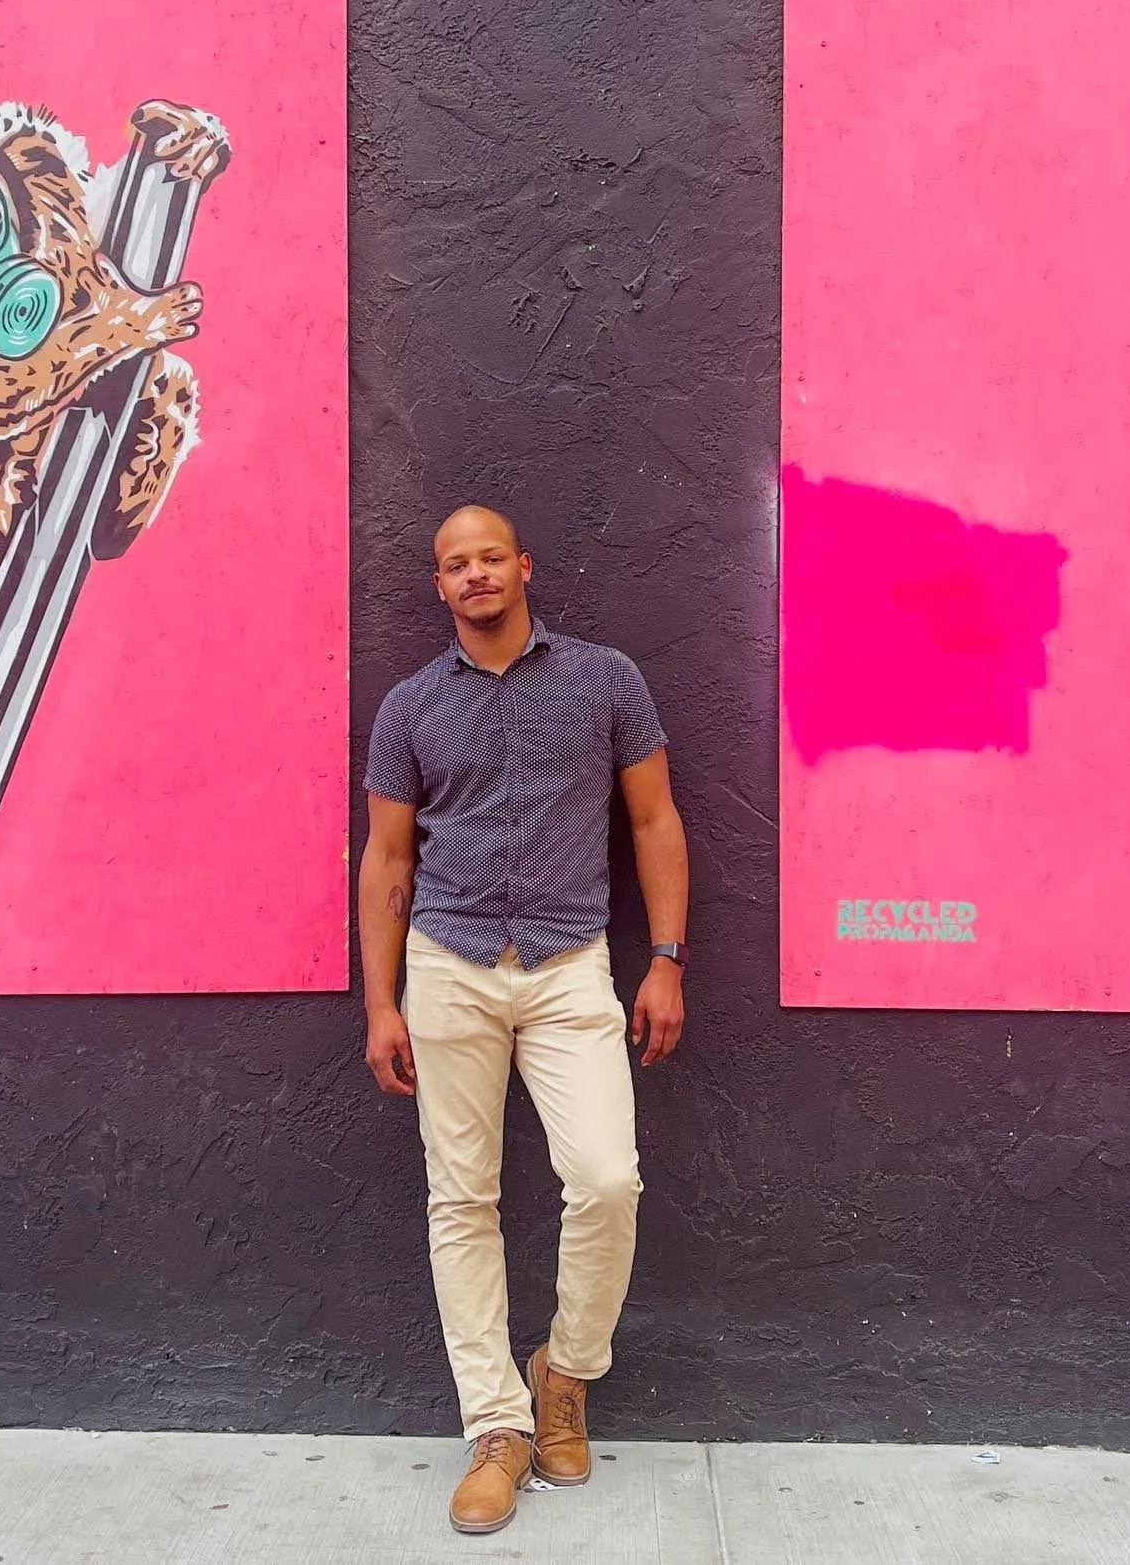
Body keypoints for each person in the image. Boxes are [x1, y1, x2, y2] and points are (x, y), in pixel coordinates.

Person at [358, 505, 690, 1536]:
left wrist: (666, 959)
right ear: (440, 585)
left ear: (523, 566)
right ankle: (496, 1425)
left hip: (569, 967)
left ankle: (564, 1372)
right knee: (461, 1198)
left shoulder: (604, 682)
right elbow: (386, 860)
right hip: (447, 966)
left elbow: (653, 818)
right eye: (453, 563)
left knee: (605, 1177)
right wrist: (379, 1001)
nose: (473, 574)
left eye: (489, 556)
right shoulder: (410, 706)